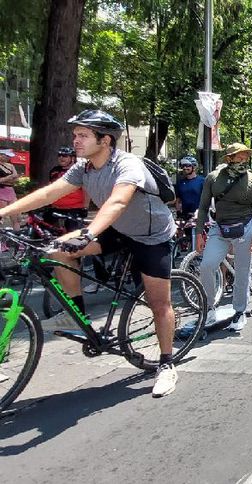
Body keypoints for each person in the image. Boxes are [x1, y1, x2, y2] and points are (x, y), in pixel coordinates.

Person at [0, 109, 180, 397]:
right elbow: (50, 193)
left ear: (105, 140)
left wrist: (88, 233)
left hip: (151, 236)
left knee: (159, 303)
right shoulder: (83, 168)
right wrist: (4, 212)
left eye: (83, 135)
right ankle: (76, 315)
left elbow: (118, 201)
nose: (75, 141)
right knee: (57, 250)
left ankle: (167, 363)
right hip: (117, 229)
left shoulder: (127, 164)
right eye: (75, 135)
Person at [195, 142, 252, 332]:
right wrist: (199, 233)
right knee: (207, 265)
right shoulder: (213, 178)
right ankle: (209, 307)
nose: (244, 160)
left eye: (246, 157)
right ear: (229, 158)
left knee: (242, 271)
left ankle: (239, 311)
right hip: (220, 228)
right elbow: (203, 207)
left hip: (245, 228)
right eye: (240, 157)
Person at [46, 146, 90, 231]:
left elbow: (86, 190)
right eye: (59, 155)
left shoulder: (80, 171)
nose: (61, 158)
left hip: (74, 209)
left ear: (72, 158)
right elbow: (50, 187)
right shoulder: (54, 171)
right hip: (56, 207)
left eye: (65, 156)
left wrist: (85, 207)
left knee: (73, 233)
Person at [0, 149, 20, 229]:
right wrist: (8, 178)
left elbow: (16, 178)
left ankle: (17, 232)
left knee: (15, 215)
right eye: (7, 156)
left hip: (10, 190)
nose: (8, 158)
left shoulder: (11, 166)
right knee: (2, 215)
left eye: (9, 156)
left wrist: (7, 179)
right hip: (1, 190)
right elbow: (12, 177)